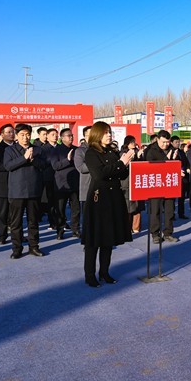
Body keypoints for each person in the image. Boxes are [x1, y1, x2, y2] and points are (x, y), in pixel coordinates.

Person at [83, 122, 134, 287]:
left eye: (110, 132)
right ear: (97, 134)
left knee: (108, 238)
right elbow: (99, 174)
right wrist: (120, 163)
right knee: (94, 240)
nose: (109, 135)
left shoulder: (112, 152)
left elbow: (122, 174)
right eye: (105, 133)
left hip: (114, 197)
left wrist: (125, 163)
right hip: (99, 199)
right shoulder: (91, 153)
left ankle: (104, 272)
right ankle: (90, 275)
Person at [4, 123, 47, 258]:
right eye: (22, 135)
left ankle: (34, 247)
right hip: (17, 191)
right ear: (17, 136)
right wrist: (24, 158)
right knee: (16, 223)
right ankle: (17, 248)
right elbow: (8, 166)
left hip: (33, 190)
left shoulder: (38, 150)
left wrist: (32, 159)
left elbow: (44, 165)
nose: (25, 137)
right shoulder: (10, 150)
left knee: (33, 222)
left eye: (28, 134)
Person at [145, 130, 179, 244]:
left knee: (170, 210)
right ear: (158, 139)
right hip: (156, 184)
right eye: (163, 142)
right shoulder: (151, 150)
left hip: (169, 184)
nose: (166, 145)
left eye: (167, 142)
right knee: (155, 210)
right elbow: (150, 166)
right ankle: (155, 234)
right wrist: (167, 160)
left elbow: (179, 163)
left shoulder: (172, 149)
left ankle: (168, 233)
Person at [51, 128, 81, 239]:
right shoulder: (56, 150)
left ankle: (75, 229)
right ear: (62, 138)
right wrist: (67, 160)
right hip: (61, 184)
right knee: (60, 209)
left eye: (72, 135)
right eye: (68, 135)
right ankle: (60, 230)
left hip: (75, 183)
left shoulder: (77, 150)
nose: (71, 137)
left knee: (76, 209)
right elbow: (55, 166)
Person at [0, 124, 15, 243]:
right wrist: (12, 166)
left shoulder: (18, 147)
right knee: (3, 212)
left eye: (13, 132)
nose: (11, 134)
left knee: (16, 213)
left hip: (17, 184)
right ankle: (2, 235)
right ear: (2, 134)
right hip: (3, 184)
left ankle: (17, 235)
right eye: (8, 132)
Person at [119, 135, 145, 234]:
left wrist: (139, 157)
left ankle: (136, 227)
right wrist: (135, 157)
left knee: (138, 206)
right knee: (128, 206)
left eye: (134, 141)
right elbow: (124, 166)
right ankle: (127, 227)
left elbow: (142, 165)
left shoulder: (138, 152)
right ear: (127, 143)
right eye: (131, 142)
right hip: (126, 181)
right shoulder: (122, 153)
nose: (133, 144)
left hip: (137, 181)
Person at [74, 126, 92, 240]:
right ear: (85, 136)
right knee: (88, 217)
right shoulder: (80, 151)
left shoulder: (101, 149)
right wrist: (97, 164)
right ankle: (88, 239)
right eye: (90, 135)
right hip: (87, 188)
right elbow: (81, 167)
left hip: (101, 187)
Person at [171, 136, 190, 220]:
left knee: (182, 196)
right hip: (173, 176)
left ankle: (181, 213)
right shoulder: (169, 151)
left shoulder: (181, 152)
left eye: (178, 142)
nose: (178, 144)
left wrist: (187, 168)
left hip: (183, 176)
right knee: (172, 198)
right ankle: (172, 214)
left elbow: (186, 162)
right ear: (171, 143)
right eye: (176, 142)